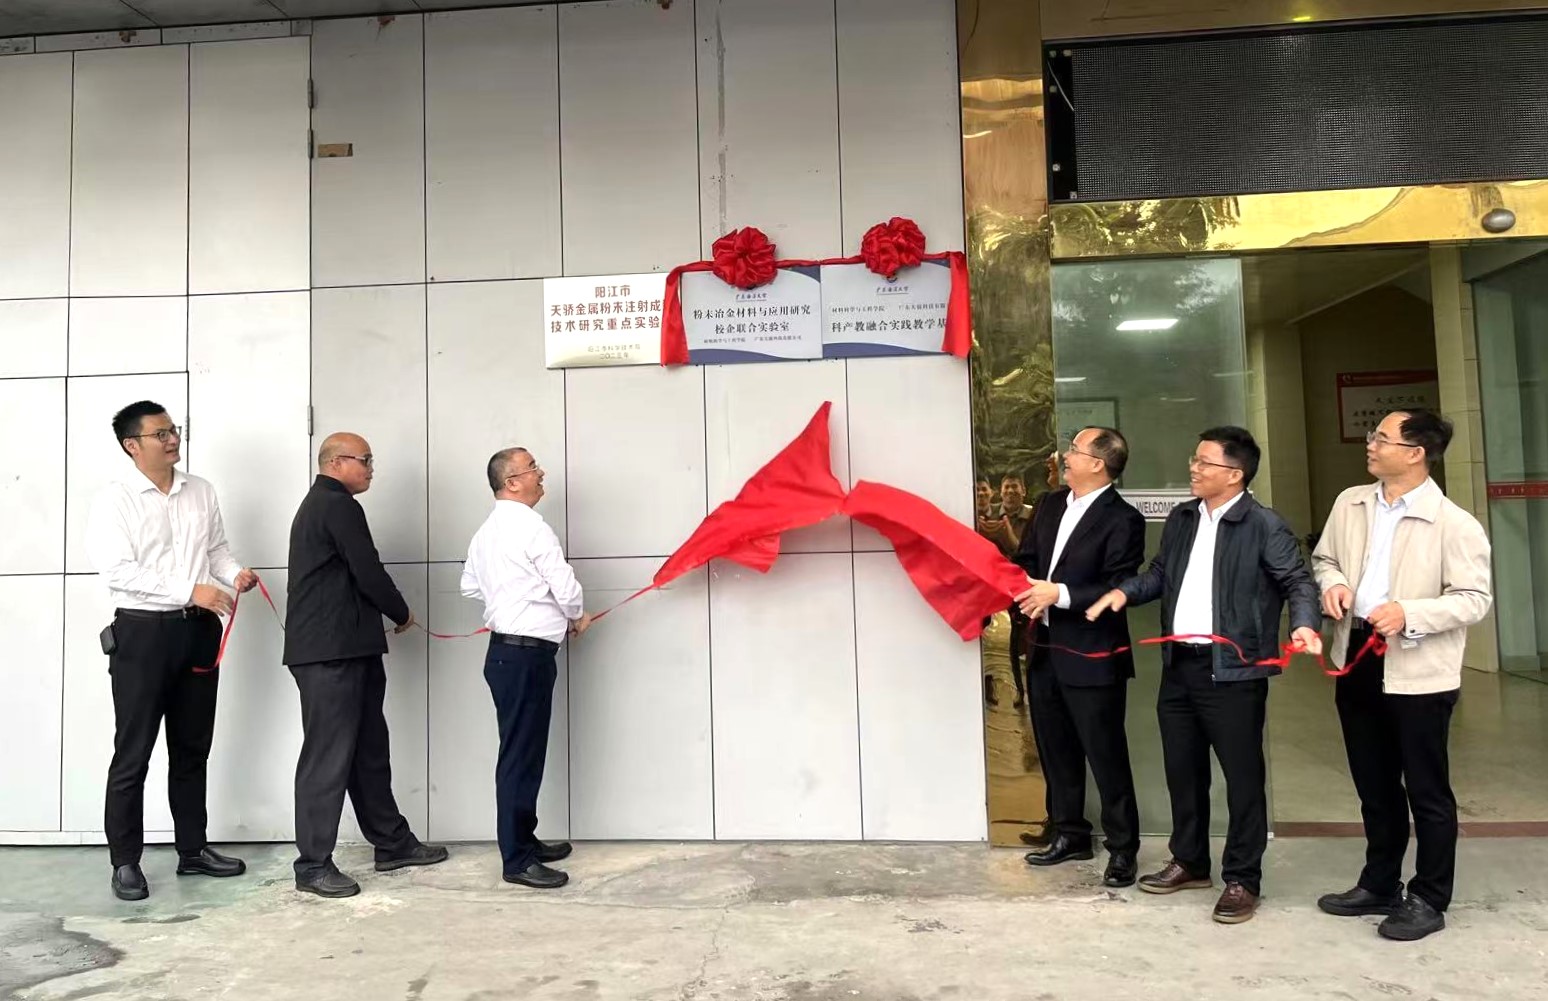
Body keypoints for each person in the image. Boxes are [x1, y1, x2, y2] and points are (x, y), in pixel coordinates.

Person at [1087, 426, 1322, 924]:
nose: (1193, 468)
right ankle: (1190, 861)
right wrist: (1124, 592)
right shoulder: (1183, 517)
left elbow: (1298, 581)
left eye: (1203, 462)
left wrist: (1304, 625)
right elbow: (1160, 573)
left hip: (1234, 672)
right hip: (1180, 666)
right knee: (1183, 769)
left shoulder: (1264, 525)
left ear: (1234, 474)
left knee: (1242, 779)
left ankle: (1243, 877)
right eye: (1194, 460)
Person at [1311, 409, 1492, 942]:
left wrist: (1409, 613)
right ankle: (1379, 882)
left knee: (1427, 789)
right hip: (1358, 652)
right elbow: (1324, 559)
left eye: (1382, 438)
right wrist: (1333, 583)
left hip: (1419, 669)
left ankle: (1430, 896)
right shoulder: (1351, 502)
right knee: (1373, 781)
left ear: (1416, 453)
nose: (1370, 444)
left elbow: (1473, 599)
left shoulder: (1454, 523)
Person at [86, 401, 258, 901]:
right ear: (131, 445)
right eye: (159, 434)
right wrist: (191, 590)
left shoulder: (200, 490)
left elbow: (216, 551)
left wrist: (234, 574)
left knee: (191, 748)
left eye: (173, 430)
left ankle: (193, 850)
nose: (172, 439)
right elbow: (118, 571)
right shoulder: (115, 500)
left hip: (198, 632)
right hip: (143, 635)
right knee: (133, 752)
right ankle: (125, 862)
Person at [283, 432, 447, 897]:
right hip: (330, 655)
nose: (372, 469)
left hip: (350, 649)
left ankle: (391, 842)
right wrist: (402, 613)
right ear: (337, 462)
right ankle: (312, 865)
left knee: (368, 749)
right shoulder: (336, 505)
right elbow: (367, 569)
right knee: (327, 757)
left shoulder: (329, 505)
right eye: (366, 460)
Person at [1012, 427, 1145, 887]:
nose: (1064, 456)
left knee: (1105, 755)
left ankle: (1123, 848)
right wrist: (1020, 587)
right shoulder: (1050, 504)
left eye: (1074, 450)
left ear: (1098, 464)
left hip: (1093, 654)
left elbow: (1119, 585)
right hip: (1044, 647)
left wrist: (1060, 594)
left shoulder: (1123, 519)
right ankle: (1070, 833)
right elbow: (1027, 559)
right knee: (1056, 749)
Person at [461, 448, 593, 889]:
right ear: (512, 482)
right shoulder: (532, 527)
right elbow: (565, 587)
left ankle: (525, 839)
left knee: (522, 752)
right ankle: (517, 860)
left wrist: (509, 602)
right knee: (521, 756)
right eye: (533, 468)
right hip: (526, 657)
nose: (541, 473)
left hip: (505, 654)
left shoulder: (485, 533)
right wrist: (576, 615)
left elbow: (469, 586)